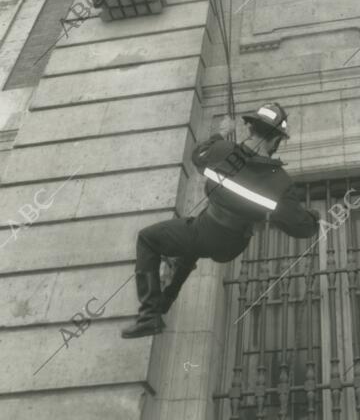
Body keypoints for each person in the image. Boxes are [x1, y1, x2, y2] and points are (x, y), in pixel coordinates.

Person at [121, 103, 322, 338]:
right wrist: (314, 217)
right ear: (277, 141)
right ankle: (166, 298)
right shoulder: (280, 182)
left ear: (249, 128)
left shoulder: (223, 151)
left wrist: (222, 132)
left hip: (207, 231)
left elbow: (197, 155)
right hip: (234, 245)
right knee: (190, 241)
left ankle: (149, 316)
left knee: (148, 239)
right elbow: (302, 228)